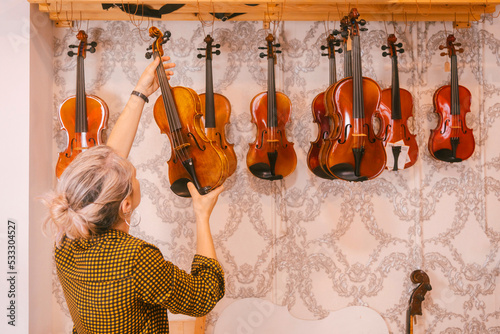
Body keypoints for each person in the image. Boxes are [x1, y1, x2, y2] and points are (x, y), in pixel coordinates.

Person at [42, 55, 225, 334]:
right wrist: (202, 216)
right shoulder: (136, 258)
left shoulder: (66, 237)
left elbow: (107, 163)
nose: (131, 171)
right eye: (134, 175)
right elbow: (203, 297)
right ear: (126, 205)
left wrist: (140, 93)